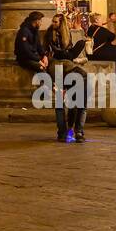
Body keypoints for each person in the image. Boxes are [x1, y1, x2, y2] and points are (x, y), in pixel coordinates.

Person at [42, 12, 87, 142]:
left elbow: (68, 53)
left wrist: (72, 53)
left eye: (55, 22)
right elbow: (59, 54)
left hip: (66, 66)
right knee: (62, 103)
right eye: (53, 21)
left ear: (62, 24)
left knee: (69, 100)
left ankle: (69, 131)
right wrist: (71, 54)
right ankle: (67, 131)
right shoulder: (51, 34)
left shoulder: (67, 35)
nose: (53, 24)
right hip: (58, 67)